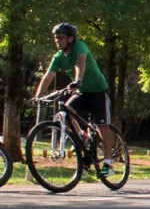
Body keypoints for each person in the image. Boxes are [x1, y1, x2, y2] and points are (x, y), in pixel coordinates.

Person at [32, 23, 115, 176]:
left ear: (70, 38)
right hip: (82, 92)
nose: (57, 41)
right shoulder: (58, 57)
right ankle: (81, 136)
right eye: (55, 38)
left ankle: (108, 163)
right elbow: (49, 76)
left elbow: (80, 63)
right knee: (64, 113)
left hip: (98, 91)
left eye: (61, 38)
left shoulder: (79, 47)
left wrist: (77, 81)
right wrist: (38, 95)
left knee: (102, 126)